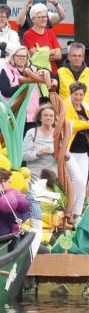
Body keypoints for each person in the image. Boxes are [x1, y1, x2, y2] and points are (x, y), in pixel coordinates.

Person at [64, 82, 89, 223]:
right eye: (76, 94)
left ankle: (76, 215)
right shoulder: (66, 106)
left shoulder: (85, 107)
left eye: (81, 94)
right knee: (77, 180)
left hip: (84, 151)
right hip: (70, 151)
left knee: (83, 181)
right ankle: (66, 210)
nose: (78, 97)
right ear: (70, 94)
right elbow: (71, 124)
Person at [23, 104, 60, 182]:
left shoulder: (59, 134)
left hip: (52, 178)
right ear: (40, 118)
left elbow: (65, 155)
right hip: (35, 177)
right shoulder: (32, 132)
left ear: (54, 118)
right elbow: (23, 155)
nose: (49, 118)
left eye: (51, 116)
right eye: (45, 115)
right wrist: (38, 153)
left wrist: (60, 155)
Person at [22, 3, 63, 73]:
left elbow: (59, 55)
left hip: (53, 72)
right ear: (33, 19)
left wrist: (42, 53)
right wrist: (50, 52)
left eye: (45, 17)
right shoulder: (28, 35)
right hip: (37, 73)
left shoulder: (50, 32)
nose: (43, 19)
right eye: (40, 17)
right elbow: (35, 58)